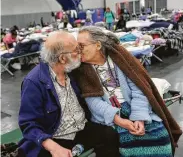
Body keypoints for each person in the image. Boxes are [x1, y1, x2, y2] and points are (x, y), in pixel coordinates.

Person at [72, 26, 182, 157]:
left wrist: (139, 118)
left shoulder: (119, 57)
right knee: (130, 142)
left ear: (97, 45)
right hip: (111, 116)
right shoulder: (81, 69)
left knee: (161, 136)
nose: (78, 50)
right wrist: (120, 121)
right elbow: (93, 102)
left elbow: (140, 88)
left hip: (134, 107)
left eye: (82, 46)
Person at [18, 31, 120, 157]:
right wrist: (54, 147)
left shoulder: (72, 70)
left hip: (81, 129)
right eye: (76, 50)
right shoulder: (34, 82)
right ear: (62, 58)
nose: (80, 53)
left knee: (109, 135)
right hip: (55, 135)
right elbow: (28, 124)